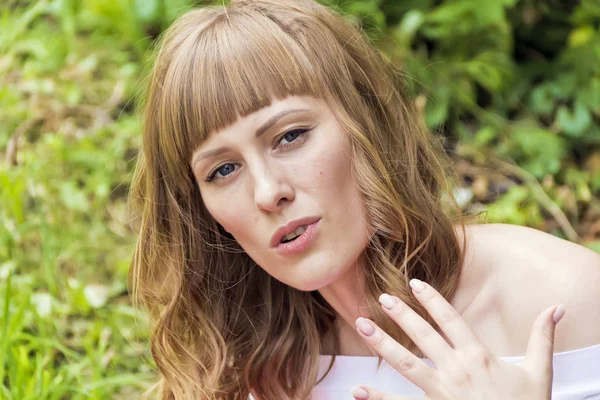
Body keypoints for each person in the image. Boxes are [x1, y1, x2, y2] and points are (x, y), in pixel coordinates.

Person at [127, 0, 600, 399]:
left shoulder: (561, 300)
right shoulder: (254, 354)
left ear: (365, 122)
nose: (269, 192)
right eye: (223, 169)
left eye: (290, 136)